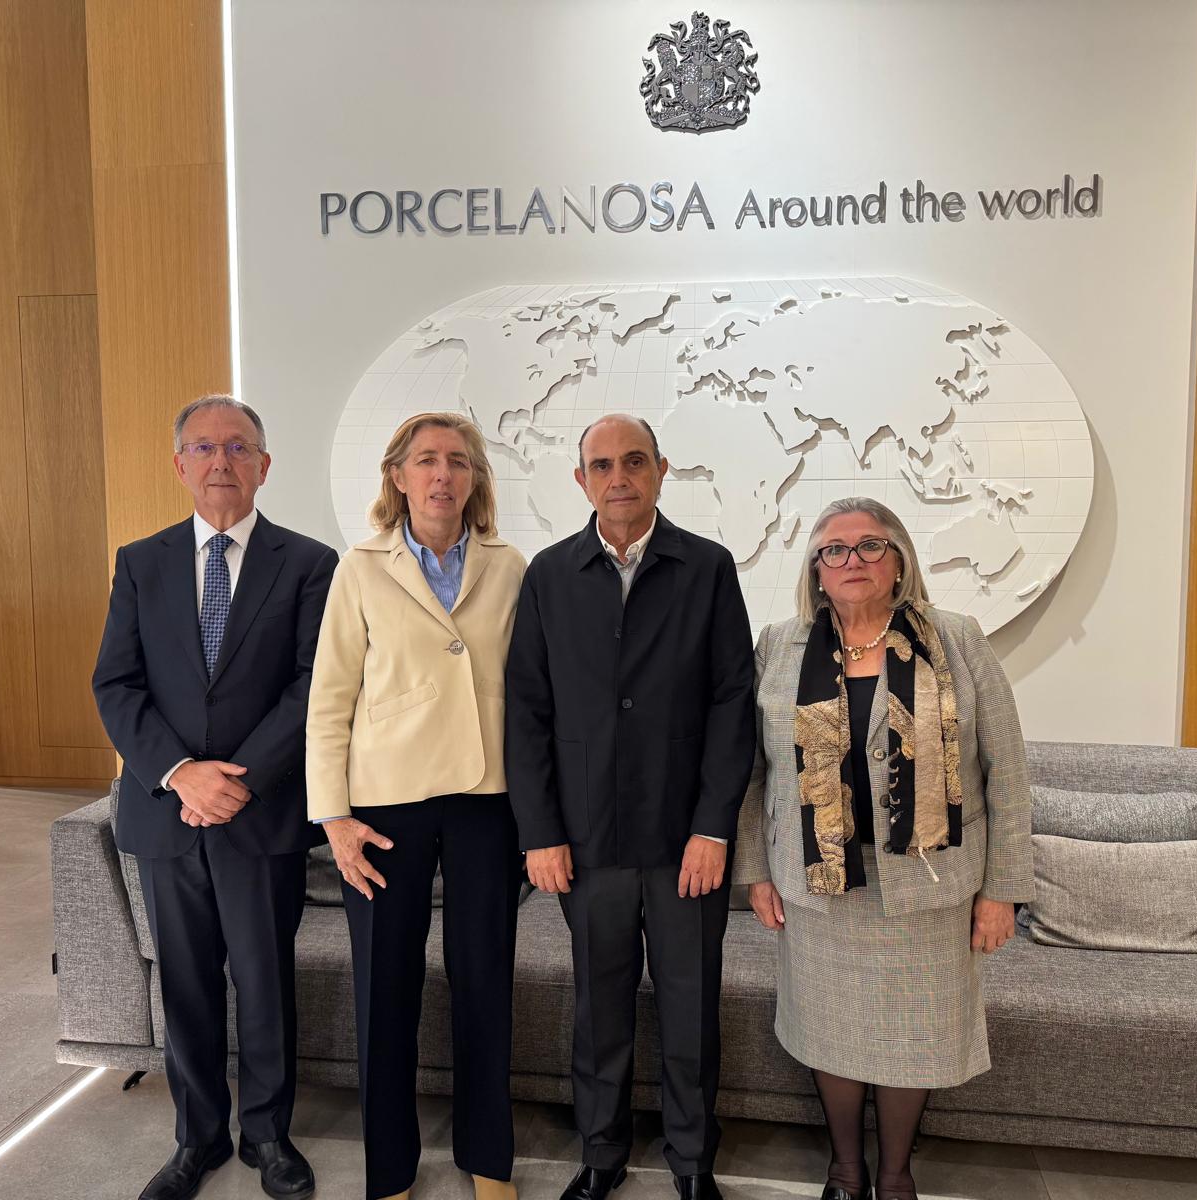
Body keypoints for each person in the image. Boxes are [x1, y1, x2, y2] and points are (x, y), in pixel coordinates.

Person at [732, 497, 1033, 1200]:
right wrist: (755, 871)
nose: (853, 560)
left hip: (929, 886)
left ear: (899, 561)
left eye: (871, 545)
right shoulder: (779, 645)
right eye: (834, 550)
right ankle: (845, 1169)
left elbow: (1008, 770)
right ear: (816, 569)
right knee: (830, 1030)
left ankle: (896, 1175)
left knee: (915, 1037)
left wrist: (1002, 890)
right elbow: (751, 771)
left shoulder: (956, 638)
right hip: (818, 882)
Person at [92, 394, 337, 1200]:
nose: (221, 461)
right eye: (204, 447)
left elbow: (313, 684)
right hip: (167, 813)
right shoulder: (142, 561)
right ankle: (196, 1138)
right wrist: (180, 773)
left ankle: (267, 1135)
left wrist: (238, 779)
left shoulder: (309, 563)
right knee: (186, 984)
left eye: (238, 447)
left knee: (265, 983)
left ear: (264, 465)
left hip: (260, 814)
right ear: (179, 465)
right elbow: (116, 683)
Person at [505, 413, 755, 1200]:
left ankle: (692, 1162)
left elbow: (733, 704)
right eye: (603, 465)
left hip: (686, 841)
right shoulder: (549, 575)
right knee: (599, 1009)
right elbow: (526, 712)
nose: (620, 477)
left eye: (635, 461)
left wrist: (714, 827)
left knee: (690, 1007)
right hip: (586, 842)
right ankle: (601, 1153)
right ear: (581, 480)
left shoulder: (707, 568)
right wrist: (540, 833)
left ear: (660, 470)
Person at [305, 412, 527, 1200]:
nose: (443, 475)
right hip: (383, 807)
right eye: (426, 460)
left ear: (475, 478)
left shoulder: (510, 566)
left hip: (486, 800)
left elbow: (532, 695)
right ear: (398, 476)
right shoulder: (360, 568)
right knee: (385, 990)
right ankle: (390, 1172)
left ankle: (488, 1160)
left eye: (458, 461)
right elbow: (329, 700)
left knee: (484, 983)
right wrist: (334, 819)